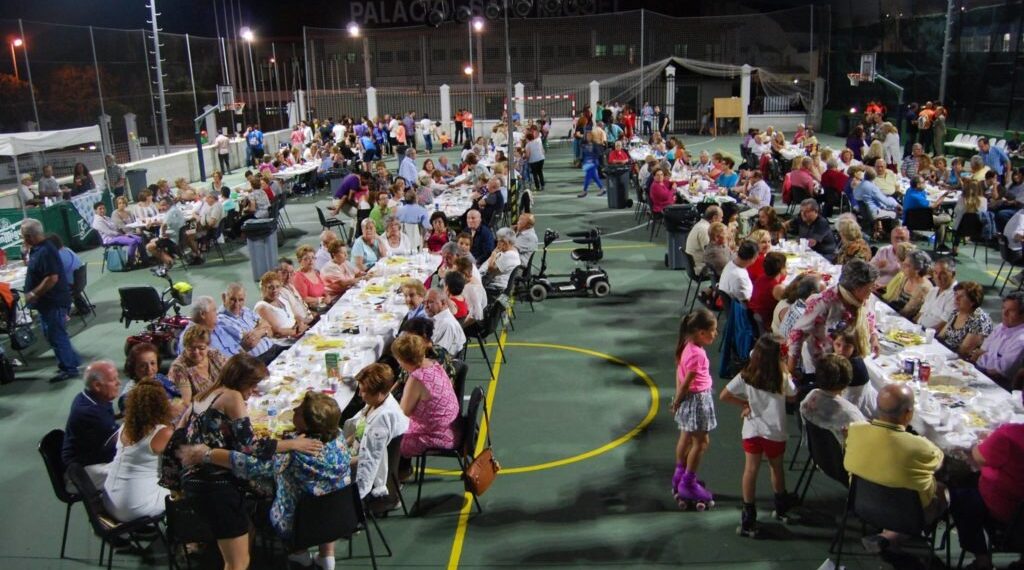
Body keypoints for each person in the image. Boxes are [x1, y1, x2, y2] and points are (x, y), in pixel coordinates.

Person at [176, 354, 325, 570]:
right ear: (242, 380)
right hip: (216, 486)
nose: (254, 391)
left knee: (246, 536)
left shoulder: (204, 395)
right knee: (238, 562)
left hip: (194, 481)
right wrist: (293, 444)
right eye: (253, 384)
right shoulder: (232, 397)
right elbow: (251, 448)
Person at [845, 384, 946, 554]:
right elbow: (939, 463)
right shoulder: (921, 447)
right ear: (908, 413)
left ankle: (888, 536)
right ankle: (895, 536)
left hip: (861, 504)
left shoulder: (854, 431)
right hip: (908, 515)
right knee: (944, 490)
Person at [720, 334, 798, 536]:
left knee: (750, 471)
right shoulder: (782, 377)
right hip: (775, 431)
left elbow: (724, 395)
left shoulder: (747, 374)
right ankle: (780, 508)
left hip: (752, 429)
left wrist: (744, 404)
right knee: (776, 469)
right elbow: (792, 396)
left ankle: (748, 515)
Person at [948, 422, 1024, 570]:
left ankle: (982, 560)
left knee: (962, 495)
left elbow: (978, 456)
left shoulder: (1010, 433)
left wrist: (988, 440)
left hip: (1009, 514)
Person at [788, 259, 880, 380]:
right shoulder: (823, 303)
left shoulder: (864, 299)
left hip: (851, 356)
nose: (872, 290)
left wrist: (873, 337)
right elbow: (797, 333)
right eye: (869, 287)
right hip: (824, 361)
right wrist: (791, 368)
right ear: (857, 288)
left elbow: (869, 318)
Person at [102, 380, 173, 522]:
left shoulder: (124, 428)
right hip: (135, 508)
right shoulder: (163, 433)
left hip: (109, 502)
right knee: (186, 491)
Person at [344, 364, 409, 510]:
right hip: (356, 450)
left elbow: (368, 459)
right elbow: (361, 430)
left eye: (364, 391)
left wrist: (341, 461)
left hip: (361, 466)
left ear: (379, 392)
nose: (360, 394)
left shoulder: (381, 421)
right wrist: (343, 443)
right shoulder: (381, 400)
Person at [670, 309, 718, 506]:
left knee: (685, 437)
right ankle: (688, 483)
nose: (715, 334)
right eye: (713, 330)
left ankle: (679, 475)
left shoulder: (686, 346)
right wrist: (678, 401)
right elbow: (688, 382)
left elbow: (679, 376)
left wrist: (677, 401)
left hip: (687, 401)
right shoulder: (698, 355)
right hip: (697, 401)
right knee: (701, 442)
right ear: (701, 332)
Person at [22, 219, 80, 382]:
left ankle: (69, 368)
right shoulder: (38, 249)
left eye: (23, 236)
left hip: (53, 301)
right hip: (48, 302)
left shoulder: (46, 251)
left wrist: (34, 293)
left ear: (29, 236)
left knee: (56, 334)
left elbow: (52, 278)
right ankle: (71, 360)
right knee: (52, 333)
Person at [393, 334, 461, 458]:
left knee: (392, 440)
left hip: (437, 436)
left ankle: (399, 472)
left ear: (404, 360)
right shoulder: (434, 364)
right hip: (453, 428)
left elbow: (402, 414)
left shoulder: (416, 379)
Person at [62, 361, 121, 489]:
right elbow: (124, 440)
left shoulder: (86, 396)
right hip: (81, 473)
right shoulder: (91, 412)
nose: (119, 383)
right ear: (97, 386)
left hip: (89, 458)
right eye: (113, 379)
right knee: (142, 471)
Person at [799, 354, 866, 445]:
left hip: (817, 452)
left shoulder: (811, 396)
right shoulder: (851, 414)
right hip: (842, 457)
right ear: (847, 381)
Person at [214, 283, 278, 362]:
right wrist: (264, 330)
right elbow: (250, 341)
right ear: (224, 298)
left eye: (241, 300)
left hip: (274, 348)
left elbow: (270, 329)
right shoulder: (221, 320)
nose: (237, 304)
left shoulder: (246, 310)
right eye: (232, 299)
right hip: (259, 360)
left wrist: (258, 331)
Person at [972, 291, 1024, 389]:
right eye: (1004, 308)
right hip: (979, 371)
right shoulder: (1001, 326)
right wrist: (986, 358)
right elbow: (981, 351)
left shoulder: (1021, 340)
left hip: (997, 384)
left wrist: (983, 357)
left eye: (1011, 310)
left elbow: (1002, 371)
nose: (1004, 313)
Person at [170, 325, 228, 406]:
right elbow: (186, 402)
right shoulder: (179, 367)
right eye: (191, 348)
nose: (196, 352)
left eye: (201, 348)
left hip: (226, 401)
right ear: (185, 347)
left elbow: (232, 376)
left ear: (208, 346)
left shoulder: (215, 355)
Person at [936, 281, 993, 358]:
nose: (956, 298)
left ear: (972, 301)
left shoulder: (979, 320)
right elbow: (941, 336)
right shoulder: (956, 312)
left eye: (962, 296)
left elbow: (963, 351)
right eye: (956, 294)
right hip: (944, 352)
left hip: (960, 361)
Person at [254, 271, 307, 346]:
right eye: (270, 287)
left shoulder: (281, 299)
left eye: (277, 287)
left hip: (297, 333)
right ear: (263, 288)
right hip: (285, 342)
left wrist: (301, 323)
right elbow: (278, 332)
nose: (274, 290)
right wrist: (298, 331)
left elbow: (296, 315)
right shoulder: (262, 307)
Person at [902, 176, 952, 245]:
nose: (925, 183)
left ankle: (941, 245)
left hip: (909, 219)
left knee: (941, 224)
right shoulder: (917, 198)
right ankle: (940, 245)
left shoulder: (909, 190)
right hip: (920, 221)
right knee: (947, 218)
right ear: (918, 185)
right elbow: (934, 206)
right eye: (923, 182)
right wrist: (944, 195)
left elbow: (925, 193)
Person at [887, 249, 933, 318]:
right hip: (896, 315)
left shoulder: (924, 288)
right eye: (903, 264)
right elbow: (895, 299)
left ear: (917, 270)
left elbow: (907, 312)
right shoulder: (906, 278)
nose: (902, 267)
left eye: (907, 265)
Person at [915, 257, 957, 331]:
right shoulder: (933, 290)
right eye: (935, 273)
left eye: (942, 273)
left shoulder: (955, 295)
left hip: (929, 335)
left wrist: (923, 333)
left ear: (953, 274)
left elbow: (944, 324)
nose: (938, 277)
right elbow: (921, 313)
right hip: (917, 328)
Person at [748, 252, 787, 329]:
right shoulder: (777, 288)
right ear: (781, 268)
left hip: (755, 316)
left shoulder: (762, 277)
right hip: (769, 322)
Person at [423, 289, 466, 355]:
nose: (426, 306)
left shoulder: (447, 325)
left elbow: (439, 355)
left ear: (443, 303)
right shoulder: (435, 318)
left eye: (430, 302)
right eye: (424, 303)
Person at [685, 206, 723, 274]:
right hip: (701, 267)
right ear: (714, 218)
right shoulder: (705, 229)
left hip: (696, 264)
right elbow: (711, 253)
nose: (721, 220)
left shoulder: (701, 224)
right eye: (721, 218)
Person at [292, 244, 331, 310]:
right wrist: (321, 299)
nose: (311, 261)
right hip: (311, 310)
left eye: (313, 257)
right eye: (306, 259)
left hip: (323, 306)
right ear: (299, 261)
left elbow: (322, 290)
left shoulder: (315, 272)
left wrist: (327, 296)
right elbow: (304, 298)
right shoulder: (298, 277)